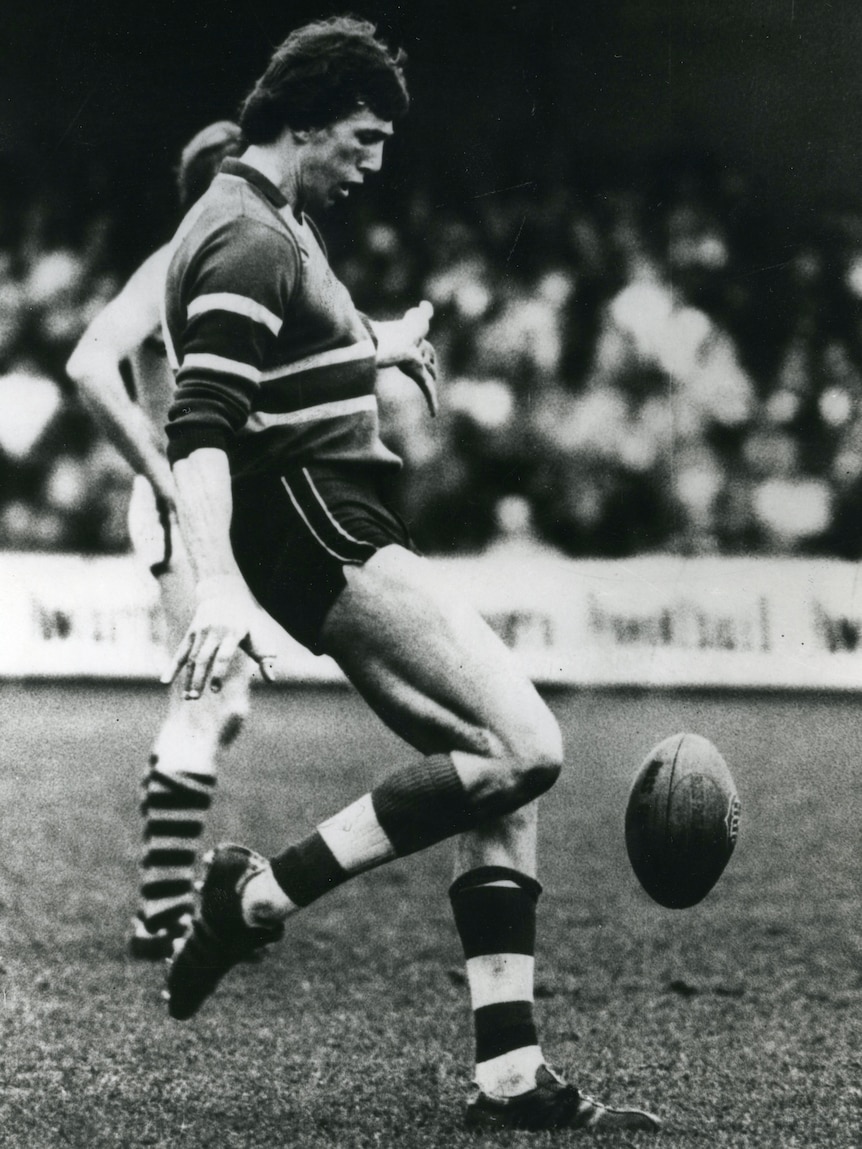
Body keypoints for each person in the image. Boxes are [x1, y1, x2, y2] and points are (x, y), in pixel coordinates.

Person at [161, 16, 660, 1134]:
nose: (377, 163)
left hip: (329, 521)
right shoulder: (253, 239)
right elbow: (200, 422)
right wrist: (220, 589)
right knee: (525, 745)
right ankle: (258, 893)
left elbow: (276, 364)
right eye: (365, 137)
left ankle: (508, 1070)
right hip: (321, 527)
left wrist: (371, 346)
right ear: (303, 123)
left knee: (490, 765)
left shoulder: (268, 217)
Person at [66, 122, 252, 959]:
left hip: (214, 504)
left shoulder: (232, 265)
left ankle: (165, 901)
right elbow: (87, 365)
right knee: (204, 699)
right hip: (188, 504)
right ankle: (160, 912)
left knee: (225, 702)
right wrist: (162, 470)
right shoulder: (178, 263)